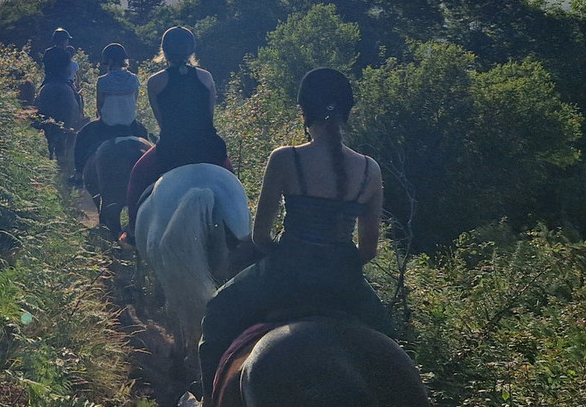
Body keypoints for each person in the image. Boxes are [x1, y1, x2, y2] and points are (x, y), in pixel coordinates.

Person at [197, 68, 392, 399]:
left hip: (286, 273)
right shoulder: (369, 169)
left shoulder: (285, 158)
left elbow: (260, 236)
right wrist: (337, 262)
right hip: (343, 282)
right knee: (392, 341)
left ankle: (207, 400)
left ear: (303, 111)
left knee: (217, 314)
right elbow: (369, 249)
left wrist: (290, 254)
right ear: (347, 112)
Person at [121, 26, 233, 243]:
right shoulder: (206, 77)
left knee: (137, 175)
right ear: (191, 50)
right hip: (209, 147)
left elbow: (162, 122)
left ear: (164, 50)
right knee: (232, 182)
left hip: (172, 150)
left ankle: (133, 231)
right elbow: (209, 115)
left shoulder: (155, 81)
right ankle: (242, 232)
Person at [72, 43, 148, 179]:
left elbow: (100, 105)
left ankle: (78, 173)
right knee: (146, 138)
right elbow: (134, 100)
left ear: (110, 61)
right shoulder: (133, 79)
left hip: (107, 125)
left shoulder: (103, 81)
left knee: (82, 136)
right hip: (129, 125)